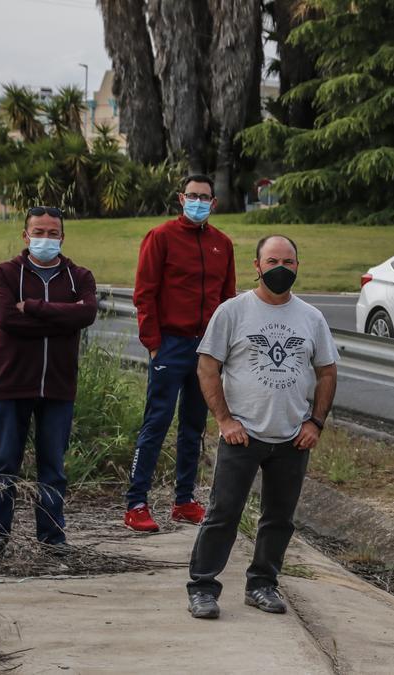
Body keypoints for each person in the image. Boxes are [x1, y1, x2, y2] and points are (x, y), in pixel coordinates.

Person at [185, 235, 338, 619]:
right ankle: (203, 587)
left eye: (288, 261)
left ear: (298, 266)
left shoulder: (311, 318)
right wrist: (224, 419)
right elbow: (207, 367)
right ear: (256, 266)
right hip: (243, 435)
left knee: (279, 519)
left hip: (292, 438)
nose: (280, 268)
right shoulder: (233, 312)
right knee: (223, 514)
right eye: (272, 261)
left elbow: (327, 371)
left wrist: (316, 422)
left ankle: (262, 585)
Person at [0, 206, 97, 560]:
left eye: (53, 232)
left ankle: (51, 537)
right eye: (39, 232)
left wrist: (32, 306)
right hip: (12, 385)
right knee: (4, 465)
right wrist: (63, 318)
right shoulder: (5, 273)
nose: (46, 238)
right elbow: (7, 319)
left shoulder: (79, 276)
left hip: (59, 387)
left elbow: (86, 314)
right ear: (25, 235)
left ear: (63, 236)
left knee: (53, 468)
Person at [124, 175, 236, 532]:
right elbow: (145, 293)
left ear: (213, 203)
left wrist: (223, 346)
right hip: (170, 344)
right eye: (192, 196)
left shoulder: (222, 244)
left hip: (206, 348)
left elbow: (227, 299)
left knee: (193, 426)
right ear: (181, 198)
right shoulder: (161, 238)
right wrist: (153, 343)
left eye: (205, 197)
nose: (198, 202)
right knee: (156, 422)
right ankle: (136, 502)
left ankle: (184, 500)